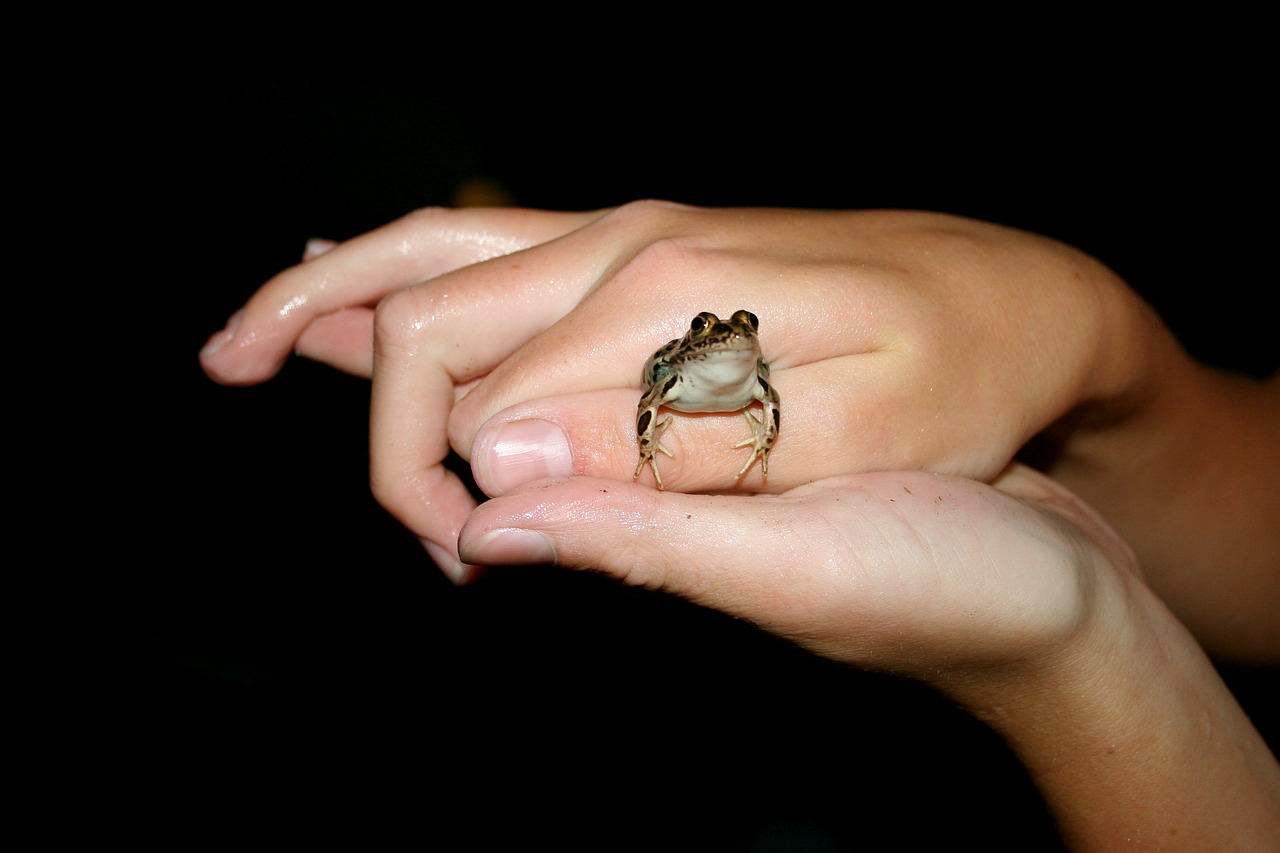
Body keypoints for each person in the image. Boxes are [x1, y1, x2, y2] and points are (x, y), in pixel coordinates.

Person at [201, 201, 1279, 849]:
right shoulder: (682, 364)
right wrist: (1096, 346)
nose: (726, 341)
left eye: (735, 335)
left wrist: (1092, 654)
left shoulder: (749, 377)